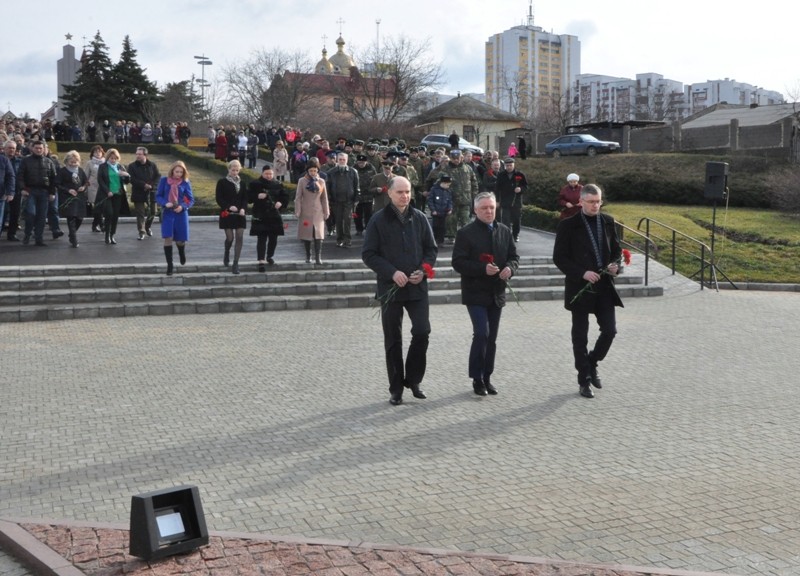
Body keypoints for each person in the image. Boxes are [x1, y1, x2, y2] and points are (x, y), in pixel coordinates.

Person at [362, 176, 438, 406]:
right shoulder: (378, 220)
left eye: (408, 192)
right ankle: (396, 388)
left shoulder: (420, 218)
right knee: (393, 339)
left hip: (416, 288)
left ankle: (413, 380)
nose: (405, 196)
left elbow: (431, 250)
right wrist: (392, 272)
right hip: (390, 288)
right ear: (390, 194)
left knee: (422, 331)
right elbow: (369, 254)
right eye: (400, 192)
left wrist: (423, 270)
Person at [552, 184, 623, 399]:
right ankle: (584, 380)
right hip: (580, 287)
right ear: (581, 202)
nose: (595, 205)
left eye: (598, 201)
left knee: (610, 331)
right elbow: (560, 258)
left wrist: (615, 265)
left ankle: (592, 362)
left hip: (604, 286)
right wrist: (582, 273)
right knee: (580, 336)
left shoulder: (608, 222)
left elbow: (617, 252)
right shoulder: (568, 225)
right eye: (591, 202)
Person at [452, 192, 519, 396]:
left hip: (496, 293)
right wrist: (482, 268)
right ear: (475, 210)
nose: (489, 211)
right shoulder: (466, 233)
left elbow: (514, 257)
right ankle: (476, 378)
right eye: (484, 208)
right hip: (475, 293)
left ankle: (487, 377)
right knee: (482, 333)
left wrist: (510, 269)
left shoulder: (504, 231)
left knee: (492, 338)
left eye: (491, 207)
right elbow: (458, 262)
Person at [155, 161, 194, 276]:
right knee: (168, 237)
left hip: (180, 214)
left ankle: (181, 251)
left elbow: (190, 199)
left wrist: (183, 207)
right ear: (172, 171)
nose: (178, 174)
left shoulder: (185, 183)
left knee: (180, 240)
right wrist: (165, 203)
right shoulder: (164, 181)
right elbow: (158, 196)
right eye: (177, 172)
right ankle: (170, 265)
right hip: (168, 213)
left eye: (181, 172)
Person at [248, 165, 289, 271]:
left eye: (270, 174)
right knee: (261, 238)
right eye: (266, 174)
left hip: (274, 215)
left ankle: (270, 256)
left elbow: (285, 197)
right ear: (262, 173)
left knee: (273, 238)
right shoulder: (255, 184)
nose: (269, 176)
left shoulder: (278, 184)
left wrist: (281, 203)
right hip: (260, 214)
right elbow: (248, 198)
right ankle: (261, 260)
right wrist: (257, 196)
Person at [17, 140, 58, 246]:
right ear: (32, 149)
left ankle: (39, 239)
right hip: (30, 191)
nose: (39, 150)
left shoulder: (49, 162)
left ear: (44, 149)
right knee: (30, 214)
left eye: (41, 148)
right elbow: (20, 176)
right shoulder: (25, 161)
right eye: (36, 148)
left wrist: (52, 192)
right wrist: (23, 189)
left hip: (44, 192)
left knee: (42, 216)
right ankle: (27, 235)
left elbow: (53, 179)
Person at [294, 160, 329, 264]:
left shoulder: (321, 181)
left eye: (315, 170)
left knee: (319, 234)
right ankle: (308, 256)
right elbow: (298, 197)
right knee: (307, 234)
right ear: (307, 171)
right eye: (311, 170)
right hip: (306, 210)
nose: (313, 172)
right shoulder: (302, 181)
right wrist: (298, 210)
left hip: (318, 211)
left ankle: (318, 257)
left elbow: (324, 198)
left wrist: (326, 211)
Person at [216, 160, 248, 274]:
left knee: (239, 236)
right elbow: (219, 199)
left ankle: (236, 263)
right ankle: (226, 252)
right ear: (229, 169)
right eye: (232, 170)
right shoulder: (222, 182)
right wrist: (229, 207)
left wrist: (243, 208)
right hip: (227, 213)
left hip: (240, 214)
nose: (235, 172)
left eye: (237, 170)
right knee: (230, 238)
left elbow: (245, 198)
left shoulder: (242, 183)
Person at [55, 150, 89, 248]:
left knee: (79, 218)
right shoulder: (62, 171)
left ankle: (72, 233)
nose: (74, 164)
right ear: (67, 161)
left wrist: (83, 187)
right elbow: (57, 184)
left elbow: (86, 182)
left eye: (76, 162)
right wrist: (68, 190)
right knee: (71, 217)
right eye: (71, 162)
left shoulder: (81, 171)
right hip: (67, 198)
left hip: (79, 197)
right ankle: (74, 239)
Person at [96, 148, 130, 245]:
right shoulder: (103, 166)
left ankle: (112, 234)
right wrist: (107, 191)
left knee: (115, 215)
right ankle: (107, 234)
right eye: (111, 158)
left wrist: (127, 175)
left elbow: (127, 181)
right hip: (107, 194)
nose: (113, 160)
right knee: (109, 213)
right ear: (108, 158)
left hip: (118, 194)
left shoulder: (120, 166)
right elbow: (100, 180)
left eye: (115, 158)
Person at [326, 152, 360, 248]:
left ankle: (347, 239)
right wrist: (328, 199)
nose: (341, 161)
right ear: (337, 160)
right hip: (336, 201)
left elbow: (357, 187)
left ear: (347, 160)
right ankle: (339, 239)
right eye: (340, 159)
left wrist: (356, 199)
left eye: (343, 159)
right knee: (338, 220)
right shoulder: (331, 172)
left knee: (347, 220)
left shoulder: (353, 172)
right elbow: (327, 187)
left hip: (348, 200)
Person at [127, 146, 161, 240]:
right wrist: (143, 185)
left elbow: (158, 176)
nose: (137, 156)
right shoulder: (132, 166)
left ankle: (147, 227)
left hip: (151, 192)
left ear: (145, 155)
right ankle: (141, 232)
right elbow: (132, 179)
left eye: (140, 154)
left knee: (153, 212)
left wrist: (152, 186)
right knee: (140, 213)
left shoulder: (152, 165)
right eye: (136, 154)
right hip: (138, 192)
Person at [495, 157, 528, 242]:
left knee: (516, 220)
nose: (509, 167)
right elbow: (497, 189)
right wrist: (497, 200)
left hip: (516, 202)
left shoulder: (520, 175)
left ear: (514, 165)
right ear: (505, 166)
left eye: (510, 165)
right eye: (507, 165)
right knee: (506, 220)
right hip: (505, 201)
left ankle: (515, 235)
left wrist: (520, 189)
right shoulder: (501, 175)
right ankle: (507, 235)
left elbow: (525, 186)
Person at [84, 145, 106, 233]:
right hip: (92, 186)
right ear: (92, 153)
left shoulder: (105, 162)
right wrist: (85, 186)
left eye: (99, 152)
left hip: (103, 187)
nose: (98, 153)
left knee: (101, 207)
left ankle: (94, 224)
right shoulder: (90, 163)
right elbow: (86, 175)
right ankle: (101, 225)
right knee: (97, 206)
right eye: (96, 152)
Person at [427, 174, 453, 245]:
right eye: (447, 184)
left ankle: (441, 241)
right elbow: (430, 200)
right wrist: (433, 210)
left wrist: (449, 208)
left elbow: (450, 201)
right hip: (436, 212)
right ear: (443, 183)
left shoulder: (448, 191)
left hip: (444, 212)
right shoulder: (434, 189)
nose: (448, 186)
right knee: (435, 226)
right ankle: (434, 240)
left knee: (442, 227)